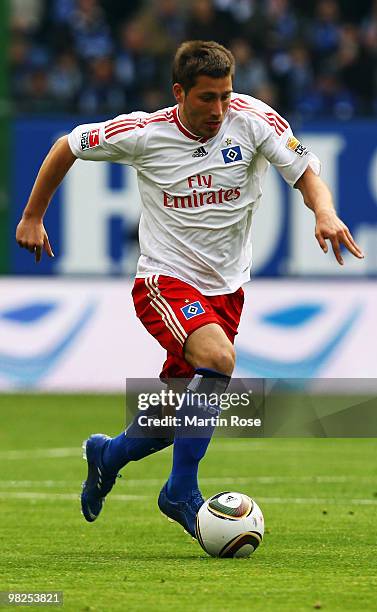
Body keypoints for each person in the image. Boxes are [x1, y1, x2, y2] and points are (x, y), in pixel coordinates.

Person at [15, 40, 364, 538]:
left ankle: (107, 455)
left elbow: (306, 172)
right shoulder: (143, 132)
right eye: (206, 98)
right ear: (179, 92)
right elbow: (66, 146)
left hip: (227, 290)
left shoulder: (254, 119)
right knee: (220, 361)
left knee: (178, 408)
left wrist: (324, 212)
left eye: (225, 95)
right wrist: (32, 216)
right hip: (165, 280)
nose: (219, 109)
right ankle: (181, 492)